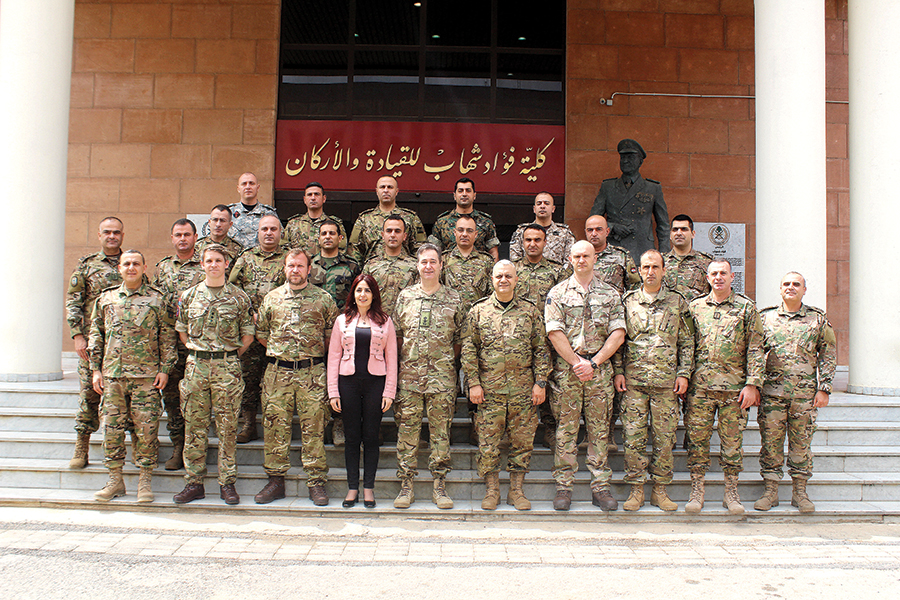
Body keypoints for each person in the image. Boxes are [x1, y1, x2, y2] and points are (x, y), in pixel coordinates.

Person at [89, 250, 176, 503]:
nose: (131, 267)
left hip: (146, 377)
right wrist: (95, 369)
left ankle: (144, 481)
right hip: (113, 376)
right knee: (112, 430)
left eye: (136, 263)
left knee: (146, 429)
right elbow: (96, 334)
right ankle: (115, 480)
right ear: (119, 268)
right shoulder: (106, 298)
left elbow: (167, 337)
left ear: (144, 267)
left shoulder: (157, 299)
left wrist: (165, 369)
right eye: (126, 264)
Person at [463, 261, 550, 511]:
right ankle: (492, 491)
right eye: (499, 276)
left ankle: (516, 491)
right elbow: (469, 349)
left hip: (523, 390)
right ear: (492, 279)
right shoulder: (478, 311)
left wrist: (540, 382)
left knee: (522, 442)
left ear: (516, 279)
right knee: (487, 443)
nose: (503, 280)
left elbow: (541, 349)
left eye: (508, 276)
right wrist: (473, 383)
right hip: (489, 391)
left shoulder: (530, 311)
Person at [254, 249, 339, 506]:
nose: (295, 270)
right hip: (277, 372)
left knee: (314, 427)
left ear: (309, 269)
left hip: (311, 372)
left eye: (300, 266)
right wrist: (284, 354)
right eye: (291, 265)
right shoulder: (272, 298)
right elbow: (261, 334)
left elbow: (331, 338)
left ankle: (316, 481)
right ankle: (275, 480)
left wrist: (307, 355)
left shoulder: (323, 299)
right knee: (274, 427)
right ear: (284, 268)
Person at [545, 241, 625, 511]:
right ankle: (563, 487)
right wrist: (577, 362)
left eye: (586, 256)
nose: (581, 260)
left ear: (595, 259)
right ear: (570, 259)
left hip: (599, 372)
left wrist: (594, 362)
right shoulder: (557, 293)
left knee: (599, 431)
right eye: (577, 256)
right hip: (568, 372)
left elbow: (618, 333)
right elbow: (554, 332)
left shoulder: (610, 294)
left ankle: (600, 488)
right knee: (566, 431)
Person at [173, 245, 254, 505]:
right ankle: (194, 482)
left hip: (226, 368)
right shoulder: (189, 296)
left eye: (219, 260)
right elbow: (182, 331)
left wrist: (227, 355)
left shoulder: (239, 297)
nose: (214, 265)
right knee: (194, 426)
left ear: (227, 264)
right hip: (197, 366)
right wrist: (200, 351)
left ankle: (227, 483)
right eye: (209, 260)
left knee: (227, 427)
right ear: (202, 264)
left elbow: (248, 335)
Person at [613, 250, 693, 512]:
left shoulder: (677, 302)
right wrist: (618, 371)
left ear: (663, 270)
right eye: (645, 267)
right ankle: (636, 490)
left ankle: (660, 490)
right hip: (634, 382)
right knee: (633, 438)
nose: (650, 272)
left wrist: (684, 373)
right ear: (639, 270)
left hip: (666, 384)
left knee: (664, 439)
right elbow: (618, 339)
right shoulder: (627, 302)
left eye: (655, 267)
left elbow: (687, 341)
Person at [685, 259, 764, 515]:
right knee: (697, 442)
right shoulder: (695, 307)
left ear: (732, 277)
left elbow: (755, 347)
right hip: (700, 389)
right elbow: (686, 345)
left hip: (734, 390)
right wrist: (684, 377)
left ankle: (731, 492)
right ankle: (697, 491)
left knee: (732, 445)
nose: (718, 277)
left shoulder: (746, 308)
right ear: (707, 278)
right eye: (714, 273)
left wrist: (752, 384)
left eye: (723, 273)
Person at [755, 272, 837, 514]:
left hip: (805, 396)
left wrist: (824, 388)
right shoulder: (765, 318)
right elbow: (754, 353)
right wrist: (754, 385)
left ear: (804, 290)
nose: (791, 287)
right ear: (780, 289)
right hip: (772, 394)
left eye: (796, 284)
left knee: (801, 445)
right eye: (786, 284)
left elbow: (828, 353)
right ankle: (770, 492)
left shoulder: (817, 319)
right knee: (770, 444)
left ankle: (800, 492)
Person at [392, 244, 466, 509]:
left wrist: (440, 360)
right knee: (407, 433)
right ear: (417, 265)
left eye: (433, 261)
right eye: (424, 262)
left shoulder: (454, 298)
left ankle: (439, 485)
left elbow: (460, 340)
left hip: (441, 379)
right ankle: (406, 485)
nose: (428, 266)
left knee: (440, 434)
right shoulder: (405, 297)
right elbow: (397, 337)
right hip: (409, 378)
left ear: (441, 265)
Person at [328, 274, 398, 509]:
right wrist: (333, 391)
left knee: (370, 437)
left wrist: (389, 392)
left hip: (375, 384)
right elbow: (333, 357)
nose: (363, 294)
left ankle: (368, 488)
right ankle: (352, 488)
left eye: (367, 290)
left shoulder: (385, 321)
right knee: (351, 437)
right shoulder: (342, 321)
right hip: (347, 383)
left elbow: (392, 358)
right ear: (353, 294)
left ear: (374, 294)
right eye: (359, 290)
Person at [66, 216, 126, 469]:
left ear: (122, 235)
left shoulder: (129, 262)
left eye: (116, 232)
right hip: (92, 343)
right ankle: (82, 445)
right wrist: (78, 336)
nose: (112, 236)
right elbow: (74, 302)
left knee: (124, 398)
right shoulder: (86, 265)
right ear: (100, 235)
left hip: (123, 345)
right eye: (107, 232)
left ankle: (128, 449)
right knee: (89, 396)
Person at [152, 219, 206, 470]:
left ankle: (196, 451)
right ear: (172, 238)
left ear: (195, 237)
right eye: (178, 235)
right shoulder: (162, 268)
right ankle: (178, 446)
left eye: (187, 234)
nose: (182, 239)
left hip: (197, 343)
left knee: (197, 399)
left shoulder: (206, 265)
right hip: (170, 344)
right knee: (173, 398)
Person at [228, 215, 287, 444]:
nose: (269, 233)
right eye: (264, 229)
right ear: (258, 232)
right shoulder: (245, 258)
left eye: (273, 229)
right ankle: (249, 424)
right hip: (251, 332)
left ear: (280, 233)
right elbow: (233, 289)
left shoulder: (288, 258)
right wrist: (248, 313)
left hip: (279, 332)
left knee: (278, 380)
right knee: (249, 379)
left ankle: (278, 428)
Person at [512, 223, 569, 449]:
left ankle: (550, 430)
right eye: (528, 240)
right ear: (522, 242)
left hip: (548, 339)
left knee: (550, 386)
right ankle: (512, 430)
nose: (532, 244)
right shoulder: (512, 270)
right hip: (518, 340)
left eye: (537, 240)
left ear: (545, 243)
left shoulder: (557, 272)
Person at [590, 138, 670, 262]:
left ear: (640, 161)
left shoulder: (653, 188)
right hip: (613, 250)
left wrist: (664, 256)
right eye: (623, 157)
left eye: (630, 157)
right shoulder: (608, 187)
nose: (625, 161)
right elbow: (593, 221)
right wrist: (612, 226)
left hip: (642, 250)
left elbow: (663, 225)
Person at [348, 175, 426, 263]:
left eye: (390, 187)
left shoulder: (410, 218)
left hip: (403, 269)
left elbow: (420, 249)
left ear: (396, 191)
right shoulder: (364, 219)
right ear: (377, 191)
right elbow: (354, 251)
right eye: (382, 187)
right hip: (373, 268)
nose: (386, 190)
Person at [428, 177, 500, 260]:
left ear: (474, 195)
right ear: (454, 196)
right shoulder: (442, 222)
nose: (464, 194)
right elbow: (433, 252)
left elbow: (493, 252)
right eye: (460, 191)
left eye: (468, 190)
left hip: (478, 266)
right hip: (449, 266)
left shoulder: (486, 222)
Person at [200, 172, 278, 249]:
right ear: (238, 188)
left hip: (258, 256)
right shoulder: (228, 212)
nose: (248, 187)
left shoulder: (269, 213)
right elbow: (214, 237)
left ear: (257, 188)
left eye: (251, 183)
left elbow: (279, 239)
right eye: (244, 184)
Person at [361, 216, 418, 316]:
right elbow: (362, 296)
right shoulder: (371, 265)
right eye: (389, 231)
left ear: (404, 236)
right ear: (383, 235)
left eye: (397, 231)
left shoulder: (415, 266)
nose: (393, 235)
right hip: (376, 321)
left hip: (405, 321)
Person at [440, 214, 494, 311]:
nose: (464, 234)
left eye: (469, 231)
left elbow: (492, 294)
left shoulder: (487, 261)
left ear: (476, 234)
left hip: (478, 316)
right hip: (450, 315)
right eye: (460, 230)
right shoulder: (444, 260)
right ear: (454, 232)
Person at [509, 192, 576, 265]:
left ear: (553, 209)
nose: (542, 206)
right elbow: (515, 261)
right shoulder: (522, 231)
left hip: (557, 272)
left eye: (546, 203)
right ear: (534, 209)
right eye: (539, 203)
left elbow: (570, 261)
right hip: (526, 272)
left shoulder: (565, 233)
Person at [283, 182, 348, 256]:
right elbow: (284, 250)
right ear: (304, 199)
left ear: (324, 198)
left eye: (317, 194)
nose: (313, 198)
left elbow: (342, 250)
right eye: (309, 195)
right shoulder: (293, 224)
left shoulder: (335, 224)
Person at [308, 219, 360, 310]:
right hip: (315, 316)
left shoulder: (352, 266)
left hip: (342, 317)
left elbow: (358, 296)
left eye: (332, 233)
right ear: (319, 240)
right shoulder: (309, 265)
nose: (328, 237)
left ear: (340, 238)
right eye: (324, 234)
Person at [585, 214, 640, 295]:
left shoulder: (621, 255)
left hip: (613, 302)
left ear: (607, 232)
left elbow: (635, 287)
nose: (594, 234)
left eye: (598, 229)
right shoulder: (578, 256)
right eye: (590, 230)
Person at [664, 214, 713, 300]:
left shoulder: (707, 262)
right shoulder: (660, 262)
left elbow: (716, 293)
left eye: (684, 229)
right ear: (670, 235)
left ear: (692, 234)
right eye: (675, 230)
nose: (679, 233)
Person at [196, 205, 244, 274]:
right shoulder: (197, 246)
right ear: (209, 222)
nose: (218, 224)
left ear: (230, 224)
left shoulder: (238, 250)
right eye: (215, 220)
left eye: (222, 220)